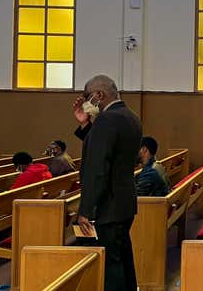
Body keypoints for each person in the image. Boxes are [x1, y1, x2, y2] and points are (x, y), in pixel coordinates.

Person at [72, 75, 141, 291]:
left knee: (110, 268)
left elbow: (97, 169)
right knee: (122, 259)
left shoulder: (107, 119)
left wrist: (86, 210)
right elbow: (108, 148)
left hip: (108, 206)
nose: (84, 102)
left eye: (86, 97)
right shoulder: (128, 116)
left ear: (98, 95)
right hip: (123, 203)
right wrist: (85, 125)